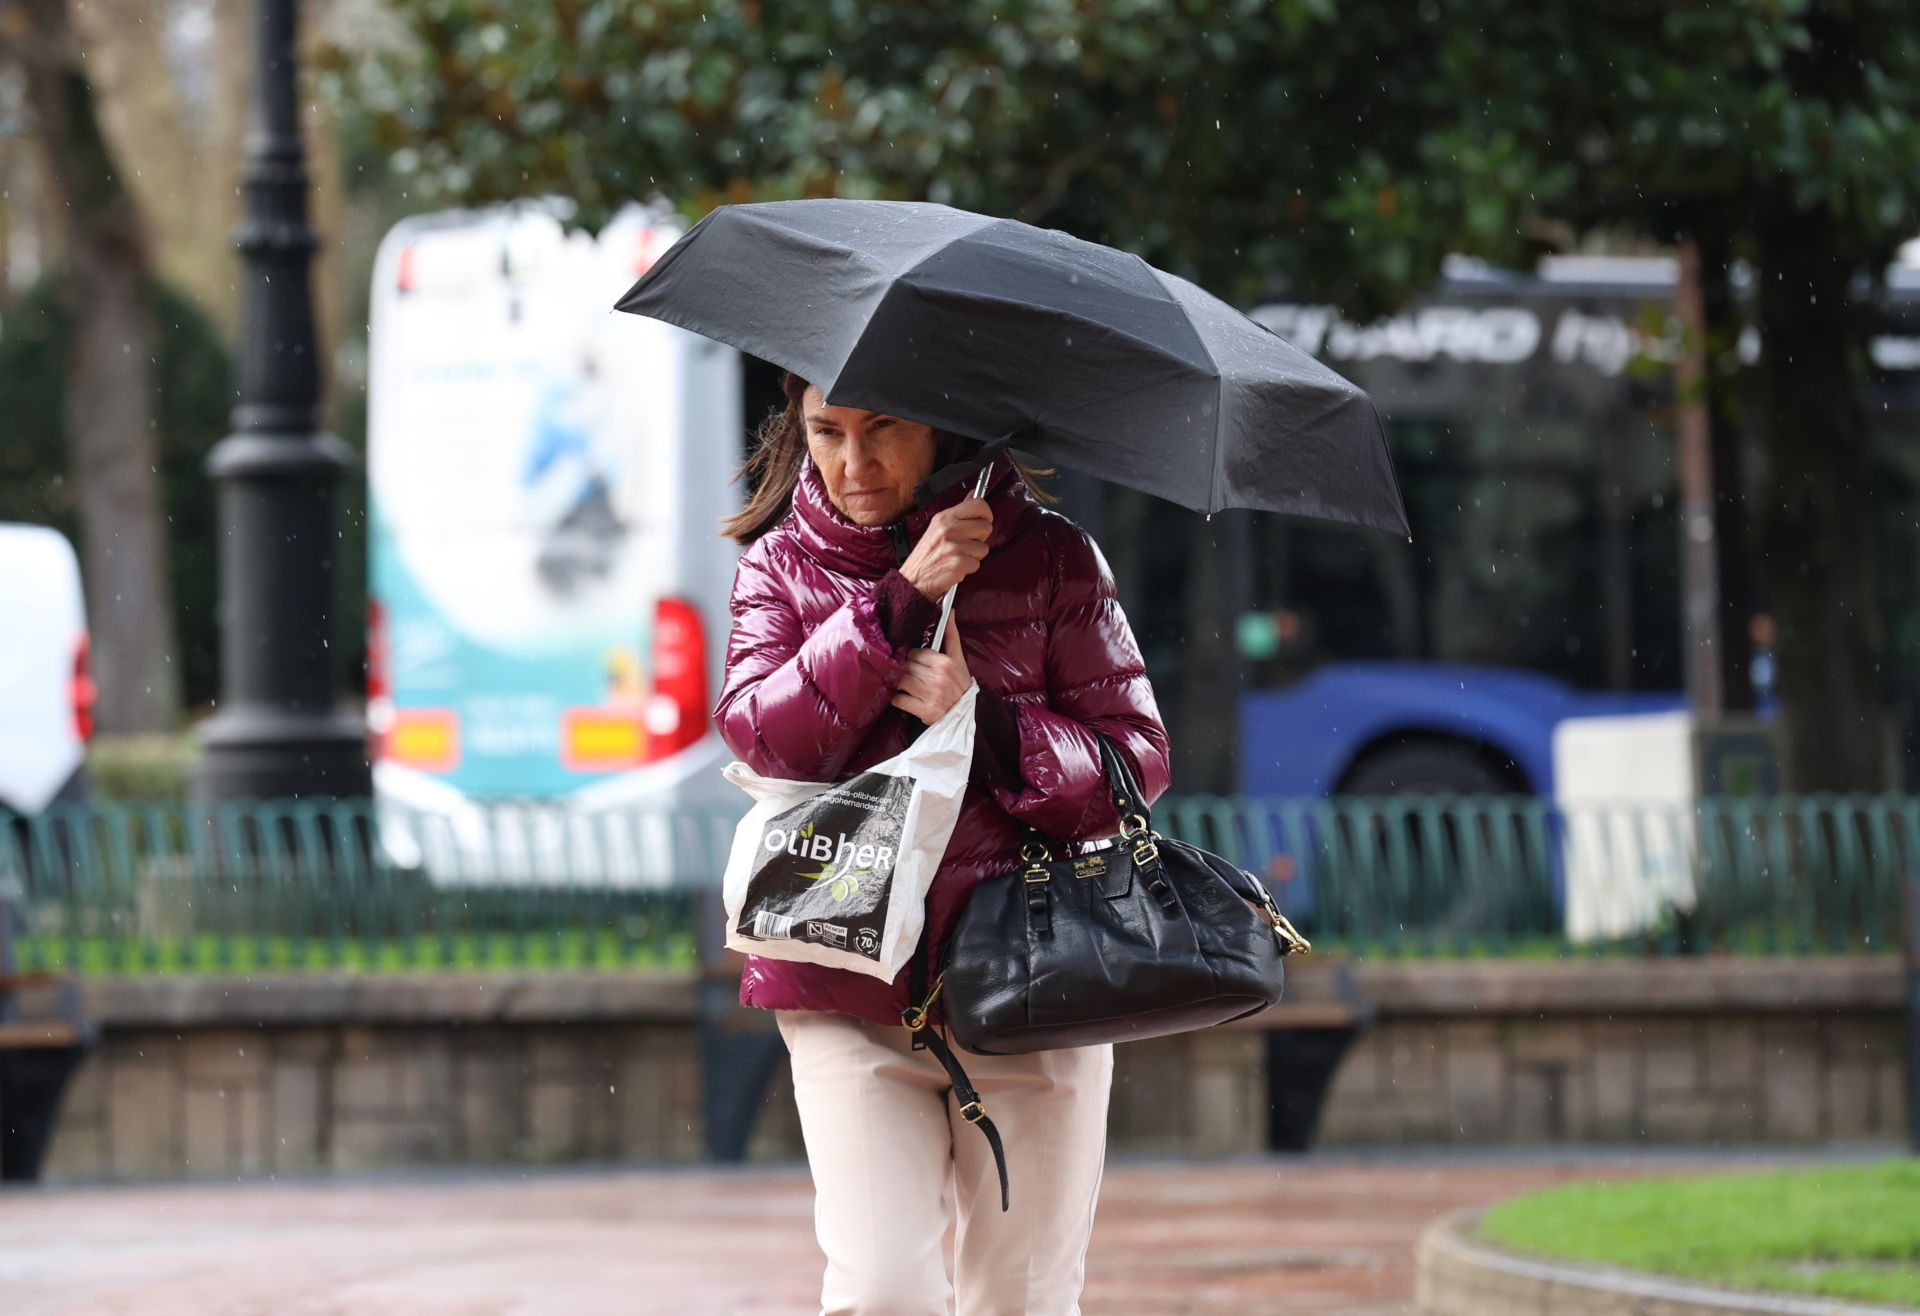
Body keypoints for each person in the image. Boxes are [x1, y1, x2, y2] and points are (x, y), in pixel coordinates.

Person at [715, 372, 1171, 1316]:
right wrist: (898, 600)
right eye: (826, 432)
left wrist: (986, 723)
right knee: (883, 1293)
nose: (852, 463)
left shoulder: (1052, 560)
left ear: (943, 431)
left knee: (1022, 1299)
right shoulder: (780, 567)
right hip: (846, 978)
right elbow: (764, 738)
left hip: (1034, 978)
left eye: (882, 429)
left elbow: (1137, 763)